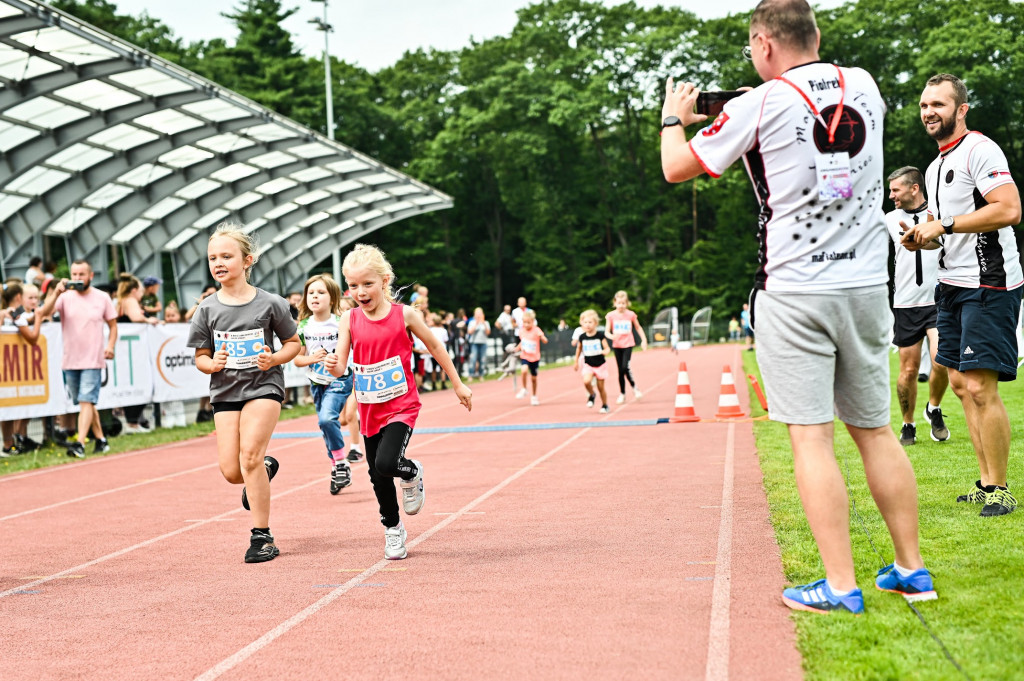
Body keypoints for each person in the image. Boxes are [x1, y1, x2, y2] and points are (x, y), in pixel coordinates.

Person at [661, 0, 933, 614]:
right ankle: (912, 570)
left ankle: (840, 586)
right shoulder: (864, 85)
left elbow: (677, 167)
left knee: (811, 439)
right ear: (815, 34)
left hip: (794, 288)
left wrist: (673, 119)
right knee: (876, 430)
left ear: (762, 45)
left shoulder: (760, 103)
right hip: (867, 285)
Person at [901, 73, 1023, 517]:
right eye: (924, 105)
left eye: (938, 104)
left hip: (988, 283)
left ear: (961, 109)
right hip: (951, 284)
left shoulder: (980, 149)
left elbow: (1009, 210)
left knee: (978, 385)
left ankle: (1001, 489)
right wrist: (923, 236)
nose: (929, 112)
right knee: (956, 383)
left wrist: (945, 224)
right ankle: (985, 481)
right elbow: (942, 232)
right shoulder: (933, 167)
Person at [325, 244, 472, 561]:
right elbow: (341, 362)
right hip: (369, 406)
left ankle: (411, 471)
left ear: (384, 280)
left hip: (401, 404)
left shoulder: (404, 314)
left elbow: (434, 345)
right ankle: (393, 529)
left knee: (387, 463)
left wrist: (458, 384)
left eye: (367, 284)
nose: (360, 292)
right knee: (377, 475)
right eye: (353, 286)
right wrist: (333, 366)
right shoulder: (349, 319)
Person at [187, 224, 300, 564]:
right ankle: (263, 469)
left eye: (226, 256)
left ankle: (262, 537)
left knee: (248, 456)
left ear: (247, 260)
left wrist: (274, 358)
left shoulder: (272, 303)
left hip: (263, 387)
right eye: (212, 258)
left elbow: (293, 344)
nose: (218, 263)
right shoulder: (206, 309)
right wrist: (211, 364)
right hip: (225, 391)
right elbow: (200, 357)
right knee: (232, 471)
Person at [884, 166, 950, 446]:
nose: (891, 196)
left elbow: (947, 244)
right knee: (908, 371)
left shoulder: (938, 212)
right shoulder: (889, 219)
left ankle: (933, 408)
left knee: (941, 362)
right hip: (906, 304)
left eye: (895, 190)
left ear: (914, 188)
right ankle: (908, 424)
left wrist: (926, 239)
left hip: (938, 299)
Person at [36, 260, 118, 458]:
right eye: (74, 274)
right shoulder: (65, 297)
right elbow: (43, 313)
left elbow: (113, 326)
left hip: (93, 358)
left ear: (90, 276)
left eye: (81, 274)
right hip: (70, 359)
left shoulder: (102, 297)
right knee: (86, 403)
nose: (77, 278)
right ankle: (101, 440)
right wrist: (56, 293)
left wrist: (110, 346)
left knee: (85, 401)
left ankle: (80, 443)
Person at [294, 274, 353, 495]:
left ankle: (341, 463)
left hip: (340, 379)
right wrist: (313, 358)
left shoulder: (342, 323)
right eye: (311, 293)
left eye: (321, 292)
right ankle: (336, 467)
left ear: (332, 298)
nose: (315, 297)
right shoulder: (303, 327)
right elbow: (298, 360)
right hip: (317, 383)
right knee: (325, 425)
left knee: (327, 419)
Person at [114, 273, 161, 434]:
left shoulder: (122, 301)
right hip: (132, 351)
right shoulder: (130, 301)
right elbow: (135, 317)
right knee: (141, 382)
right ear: (134, 290)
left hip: (126, 351)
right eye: (140, 291)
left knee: (132, 383)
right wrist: (150, 320)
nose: (142, 294)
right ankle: (132, 422)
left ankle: (133, 422)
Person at [605, 290, 647, 404]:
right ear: (615, 303)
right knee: (620, 371)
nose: (621, 306)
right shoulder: (611, 316)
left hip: (628, 344)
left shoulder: (631, 315)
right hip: (617, 345)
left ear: (627, 303)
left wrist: (644, 340)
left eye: (623, 303)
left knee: (625, 367)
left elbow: (638, 327)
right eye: (619, 303)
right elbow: (606, 332)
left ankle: (634, 388)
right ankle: (622, 393)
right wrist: (612, 336)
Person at [338, 295, 364, 465]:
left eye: (347, 309)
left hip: (357, 376)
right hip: (341, 377)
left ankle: (356, 449)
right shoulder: (337, 328)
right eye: (341, 309)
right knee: (342, 420)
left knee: (349, 414)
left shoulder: (359, 327)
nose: (344, 312)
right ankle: (358, 419)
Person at [574, 309, 611, 413]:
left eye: (590, 322)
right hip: (588, 364)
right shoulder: (582, 337)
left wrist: (605, 351)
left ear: (595, 323)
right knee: (586, 381)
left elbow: (607, 348)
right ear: (582, 324)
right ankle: (592, 394)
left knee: (600, 387)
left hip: (600, 365)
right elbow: (579, 349)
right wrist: (576, 361)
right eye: (585, 322)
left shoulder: (600, 335)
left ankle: (604, 405)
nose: (587, 325)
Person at [514, 309, 547, 405]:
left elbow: (544, 340)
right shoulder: (522, 331)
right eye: (524, 322)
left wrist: (542, 337)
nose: (526, 325)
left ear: (533, 322)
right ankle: (524, 388)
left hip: (535, 357)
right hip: (525, 356)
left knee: (533, 378)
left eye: (528, 322)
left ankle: (534, 396)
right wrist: (517, 348)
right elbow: (523, 341)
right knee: (523, 370)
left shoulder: (537, 330)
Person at [467, 307, 491, 379]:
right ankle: (471, 374)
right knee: (473, 359)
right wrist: (476, 324)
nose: (479, 315)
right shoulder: (472, 322)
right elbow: (470, 332)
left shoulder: (486, 322)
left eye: (480, 313)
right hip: (474, 343)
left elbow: (488, 333)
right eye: (477, 313)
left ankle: (481, 374)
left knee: (482, 359)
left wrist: (484, 324)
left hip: (483, 342)